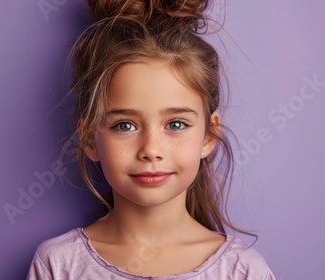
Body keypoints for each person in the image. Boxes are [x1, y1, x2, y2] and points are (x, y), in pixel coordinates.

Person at [27, 0, 276, 279]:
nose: (151, 150)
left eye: (176, 124)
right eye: (125, 125)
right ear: (88, 138)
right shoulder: (59, 264)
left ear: (208, 134)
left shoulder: (242, 270)